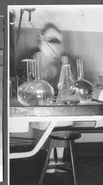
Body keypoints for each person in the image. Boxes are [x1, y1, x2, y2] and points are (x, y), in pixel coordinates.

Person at [31, 23, 77, 169]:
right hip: (44, 101)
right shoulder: (37, 58)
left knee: (62, 128)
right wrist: (49, 69)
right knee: (48, 131)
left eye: (56, 41)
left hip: (62, 101)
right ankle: (50, 162)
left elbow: (71, 80)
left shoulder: (65, 60)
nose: (53, 45)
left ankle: (61, 160)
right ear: (43, 41)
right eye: (51, 41)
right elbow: (35, 79)